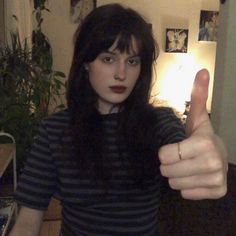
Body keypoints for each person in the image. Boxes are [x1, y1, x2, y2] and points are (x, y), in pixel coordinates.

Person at [10, 4, 227, 236]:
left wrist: (213, 152)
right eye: (108, 59)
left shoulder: (159, 122)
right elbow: (27, 222)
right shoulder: (55, 131)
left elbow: (191, 147)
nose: (121, 74)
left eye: (132, 61)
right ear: (86, 62)